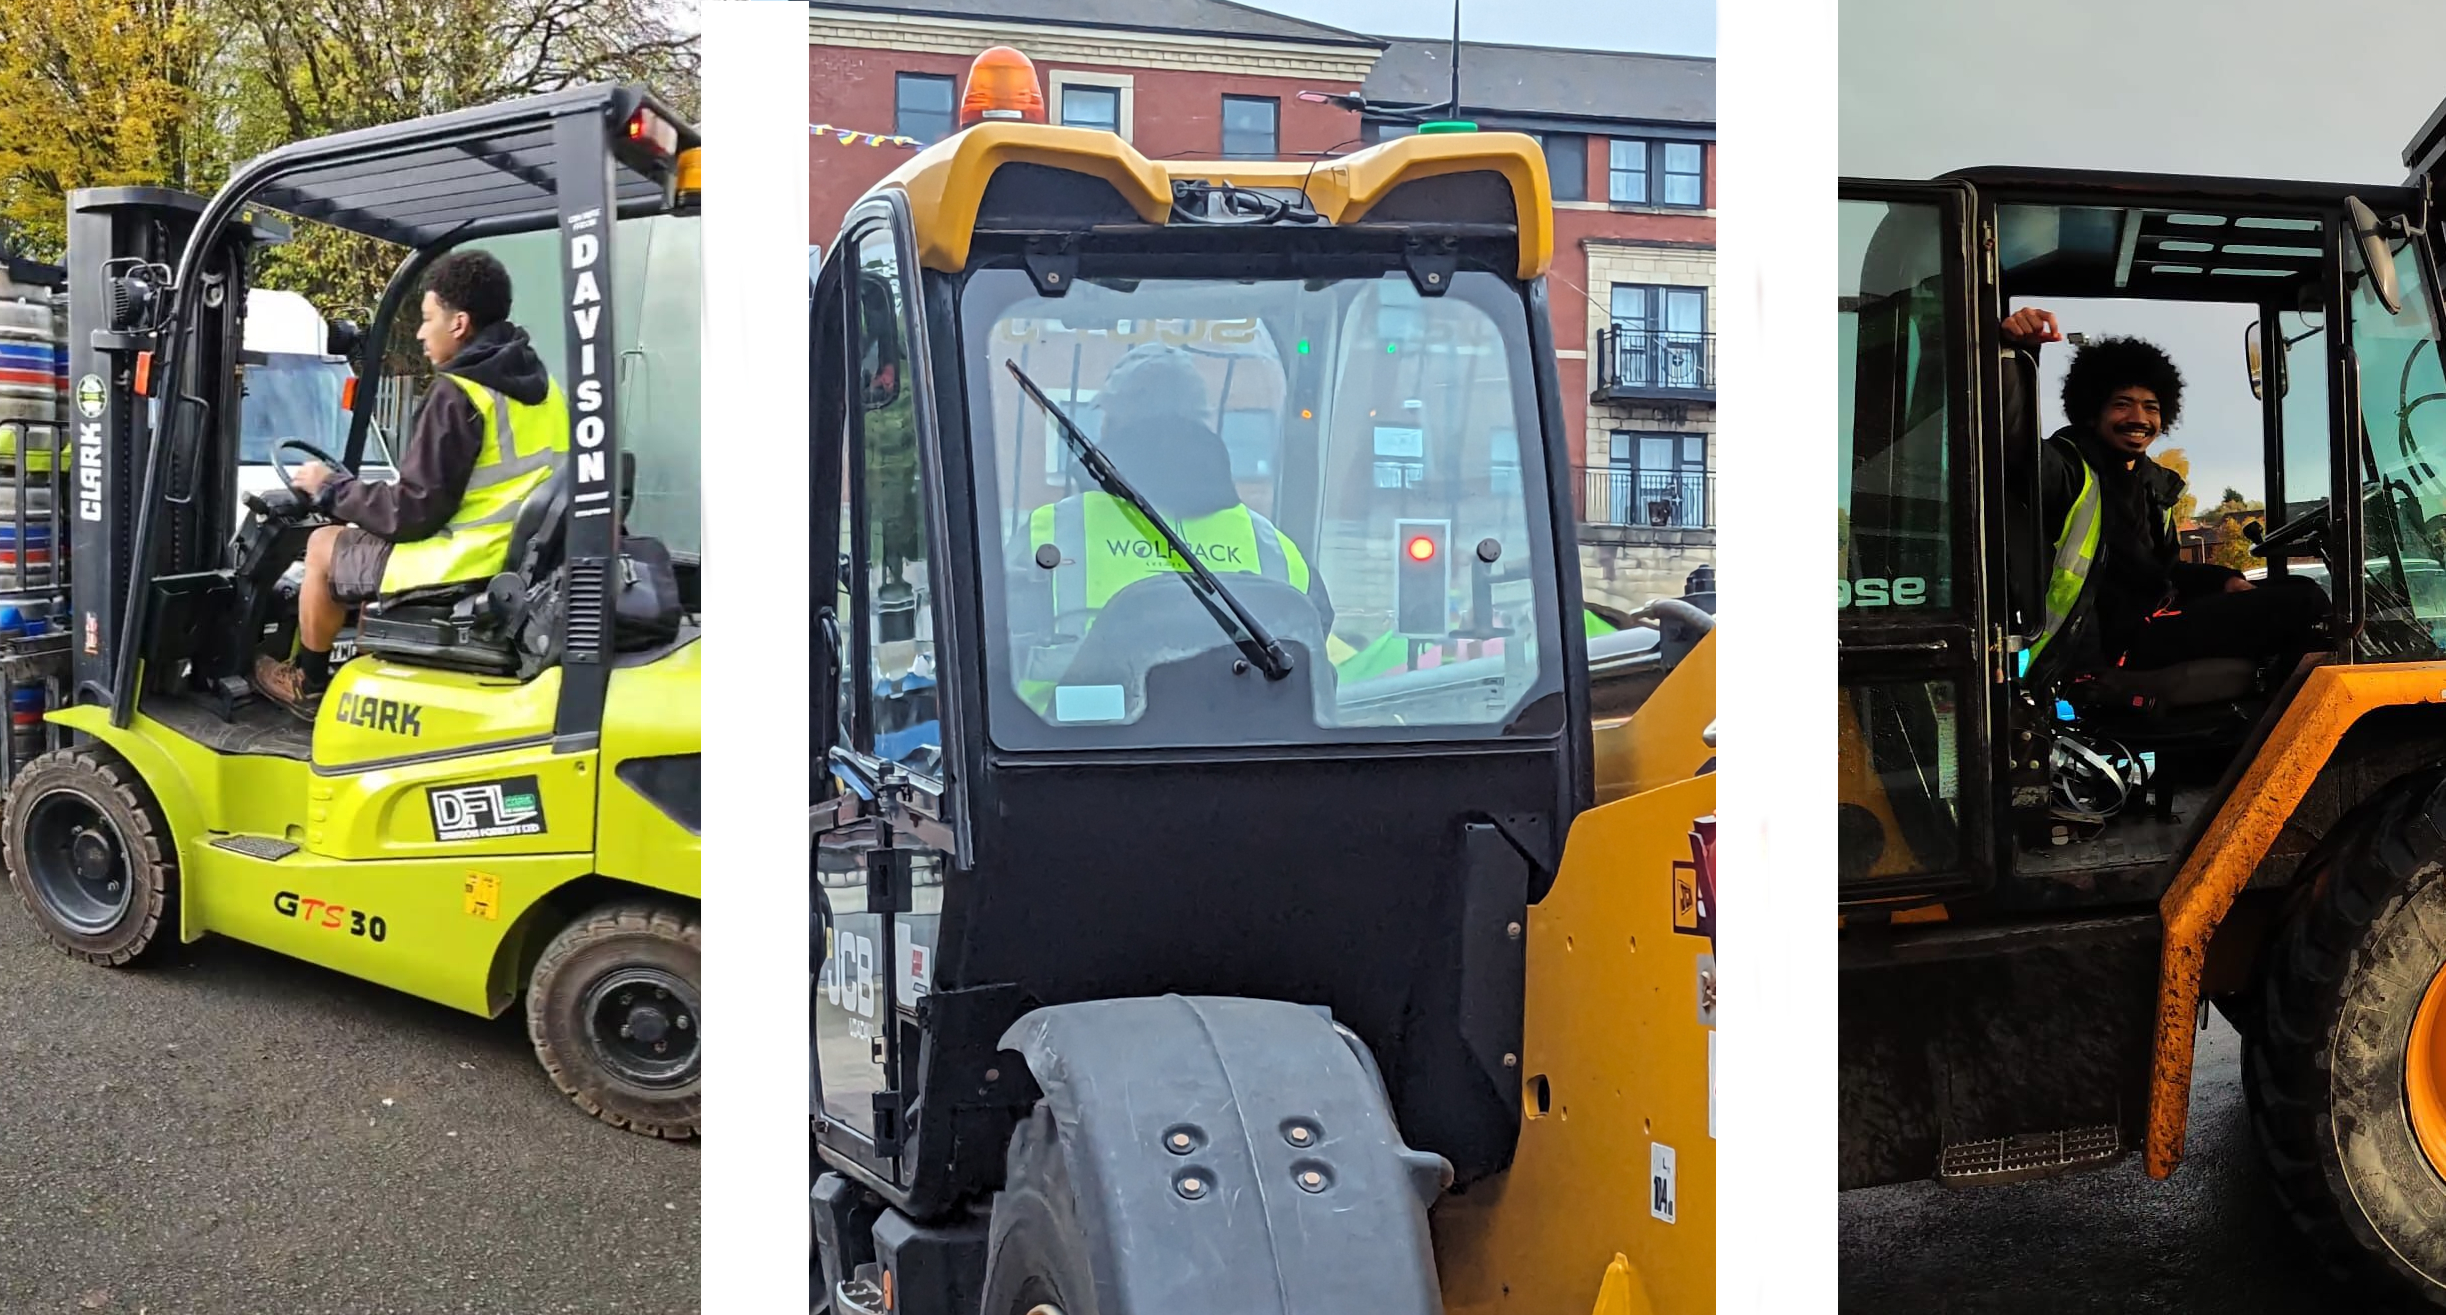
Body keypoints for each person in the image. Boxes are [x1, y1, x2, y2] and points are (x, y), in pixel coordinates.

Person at [249, 250, 569, 717]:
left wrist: (332, 488)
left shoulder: (459, 393)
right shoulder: (542, 388)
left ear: (458, 323)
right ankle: (361, 671)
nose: (421, 332)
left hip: (462, 560)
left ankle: (308, 683)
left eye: (427, 318)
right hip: (516, 560)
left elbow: (411, 512)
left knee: (322, 546)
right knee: (359, 547)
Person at [2005, 308, 2325, 681]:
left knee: (2300, 587)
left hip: (2156, 618)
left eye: (2151, 407)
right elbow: (2016, 448)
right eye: (2122, 404)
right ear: (2092, 412)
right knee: (2303, 605)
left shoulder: (2153, 487)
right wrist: (2018, 357)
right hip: (2107, 644)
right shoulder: (2069, 469)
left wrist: (2222, 579)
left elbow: (2166, 570)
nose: (2139, 418)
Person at [1006, 341, 1331, 707]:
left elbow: (999, 672)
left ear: (1112, 423)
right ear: (1206, 425)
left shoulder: (1048, 535)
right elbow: (1322, 685)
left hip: (1070, 756)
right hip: (1253, 758)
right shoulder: (1278, 551)